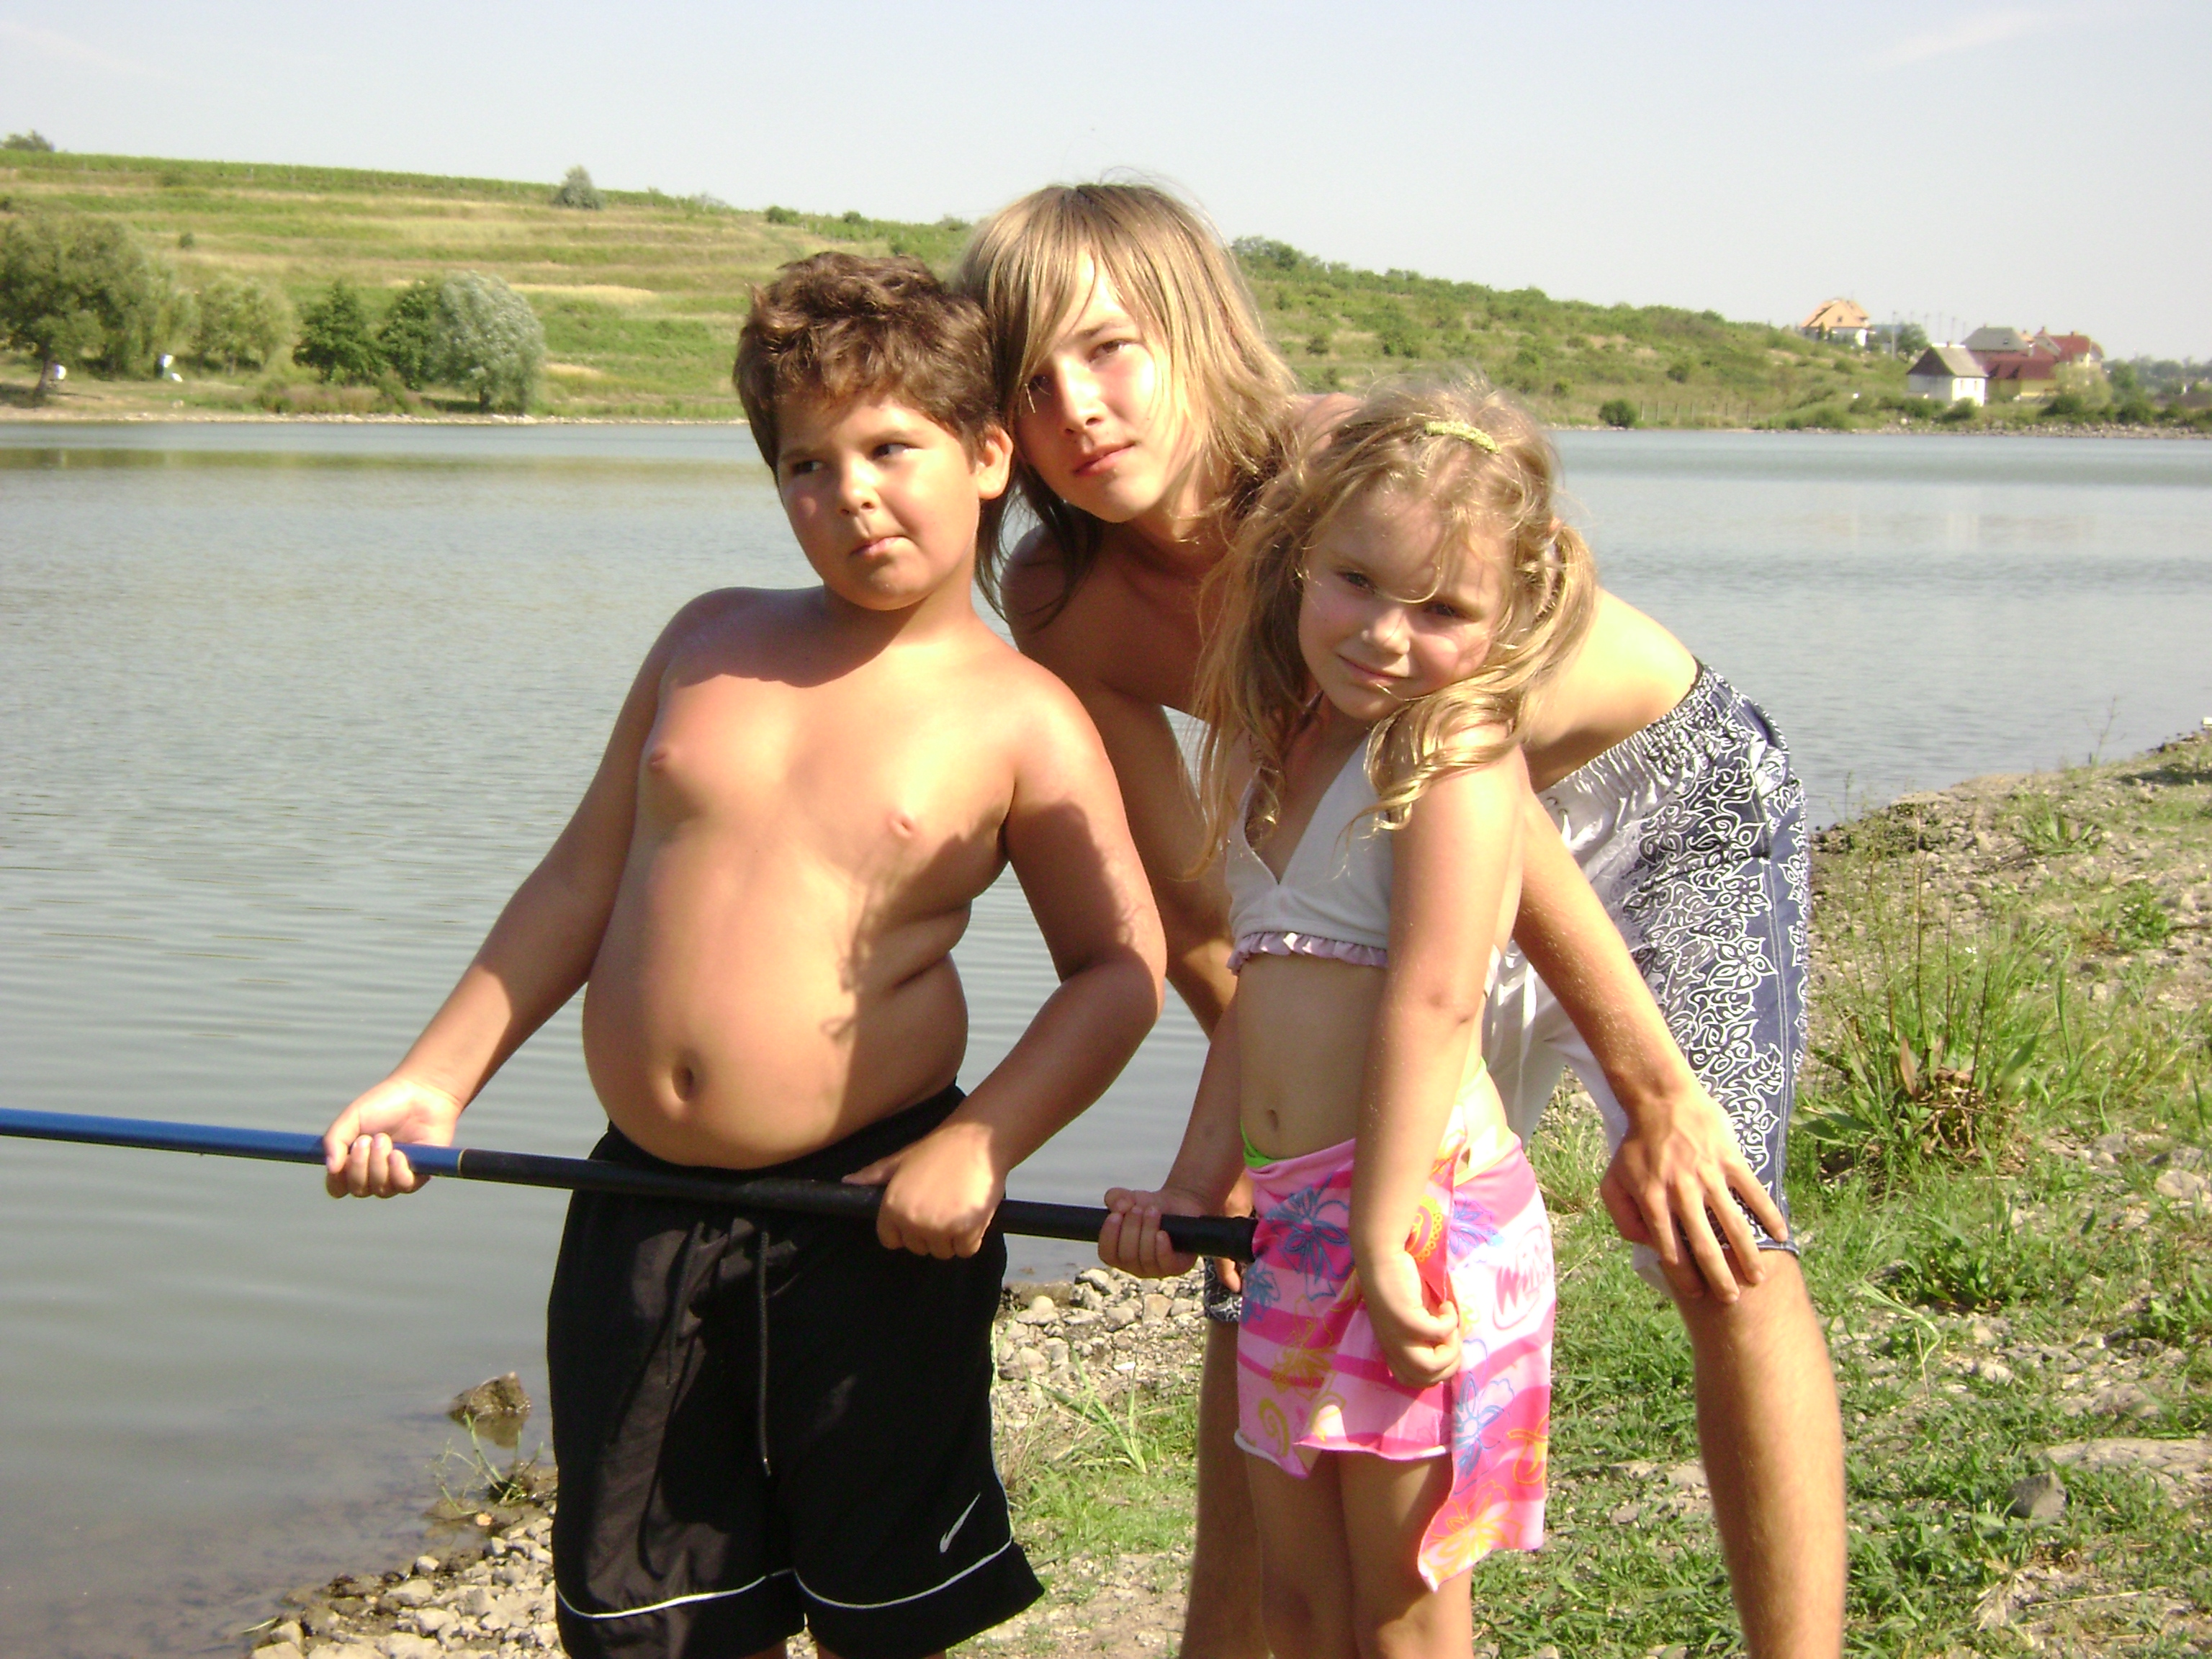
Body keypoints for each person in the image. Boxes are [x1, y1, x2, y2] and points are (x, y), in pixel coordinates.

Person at [956, 184, 1844, 1659]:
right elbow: (1210, 913)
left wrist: (1655, 1093)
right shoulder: (1063, 596)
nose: (1080, 410)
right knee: (1267, 1267)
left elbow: (1489, 793)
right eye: (1031, 382)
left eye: (1109, 349)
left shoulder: (1354, 469)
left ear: (1196, 327)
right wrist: (1269, 1154)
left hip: (1641, 800)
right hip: (1381, 865)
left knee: (1713, 1232)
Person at [321, 253, 1166, 1659]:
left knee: (882, 1616)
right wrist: (435, 1078)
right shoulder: (707, 640)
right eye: (805, 466)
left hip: (875, 1222)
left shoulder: (1025, 715)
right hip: (639, 1207)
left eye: (890, 448)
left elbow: (1119, 969)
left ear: (988, 456)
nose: (851, 495)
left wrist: (984, 1144)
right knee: (656, 1620)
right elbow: (577, 881)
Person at [1159, 385, 1584, 1656]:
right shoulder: (1269, 750)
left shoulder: (1454, 761)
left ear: (1512, 619)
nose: (1387, 635)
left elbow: (1438, 1000)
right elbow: (1258, 996)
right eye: (1356, 581)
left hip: (1420, 1216)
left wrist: (1386, 1235)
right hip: (1297, 1219)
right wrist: (1194, 1183)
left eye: (1444, 609)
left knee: (1400, 1598)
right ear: (1299, 559)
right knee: (1297, 1599)